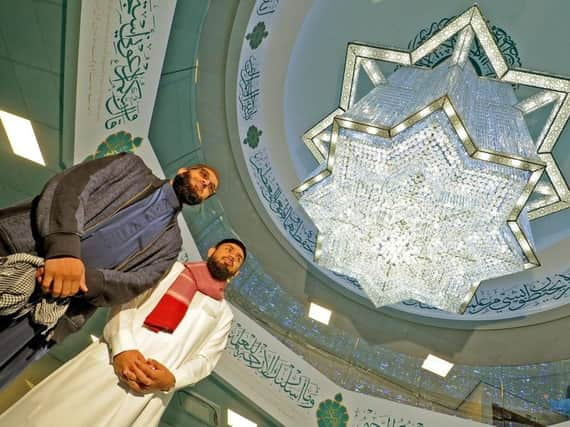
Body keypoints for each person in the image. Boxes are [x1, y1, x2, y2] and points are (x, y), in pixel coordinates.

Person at [0, 152, 220, 388]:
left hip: (53, 312)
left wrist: (82, 279)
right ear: (183, 171)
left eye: (210, 188)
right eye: (203, 175)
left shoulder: (171, 244)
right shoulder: (131, 167)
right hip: (16, 251)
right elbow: (72, 186)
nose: (205, 183)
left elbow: (137, 282)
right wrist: (63, 249)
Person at [0, 239, 246, 427]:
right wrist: (124, 349)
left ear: (235, 274)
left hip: (150, 393)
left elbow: (205, 361)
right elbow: (126, 303)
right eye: (228, 250)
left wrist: (172, 380)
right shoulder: (169, 270)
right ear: (211, 252)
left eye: (238, 258)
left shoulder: (224, 315)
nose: (232, 256)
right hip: (109, 363)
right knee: (48, 417)